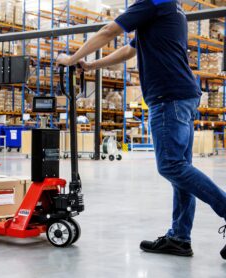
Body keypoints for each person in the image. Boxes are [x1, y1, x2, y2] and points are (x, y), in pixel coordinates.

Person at [56, 0, 226, 259]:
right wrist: (90, 66)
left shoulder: (153, 2)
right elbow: (129, 50)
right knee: (180, 168)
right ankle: (180, 238)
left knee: (171, 165)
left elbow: (108, 31)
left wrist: (72, 58)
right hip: (181, 95)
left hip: (169, 97)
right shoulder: (170, 7)